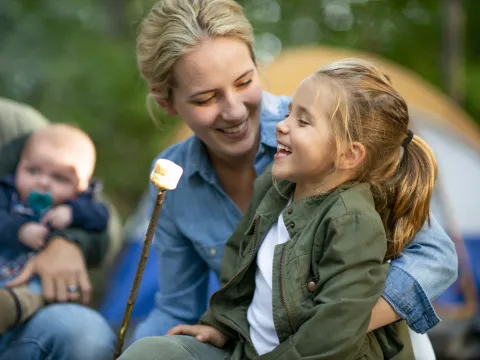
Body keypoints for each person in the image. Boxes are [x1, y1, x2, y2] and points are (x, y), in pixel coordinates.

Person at [130, 0, 457, 357]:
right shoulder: (174, 176)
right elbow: (180, 306)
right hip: (253, 342)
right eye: (206, 98)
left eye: (244, 82)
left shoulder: (331, 135)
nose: (235, 110)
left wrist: (337, 322)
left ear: (257, 65)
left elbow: (435, 255)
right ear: (168, 102)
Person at [0, 98, 116, 360]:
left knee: (82, 330)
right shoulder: (9, 196)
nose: (42, 183)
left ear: (82, 186)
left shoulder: (14, 125)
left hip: (39, 291)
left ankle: (18, 305)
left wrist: (70, 231)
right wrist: (19, 230)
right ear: (19, 166)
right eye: (33, 171)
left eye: (59, 178)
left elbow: (105, 221)